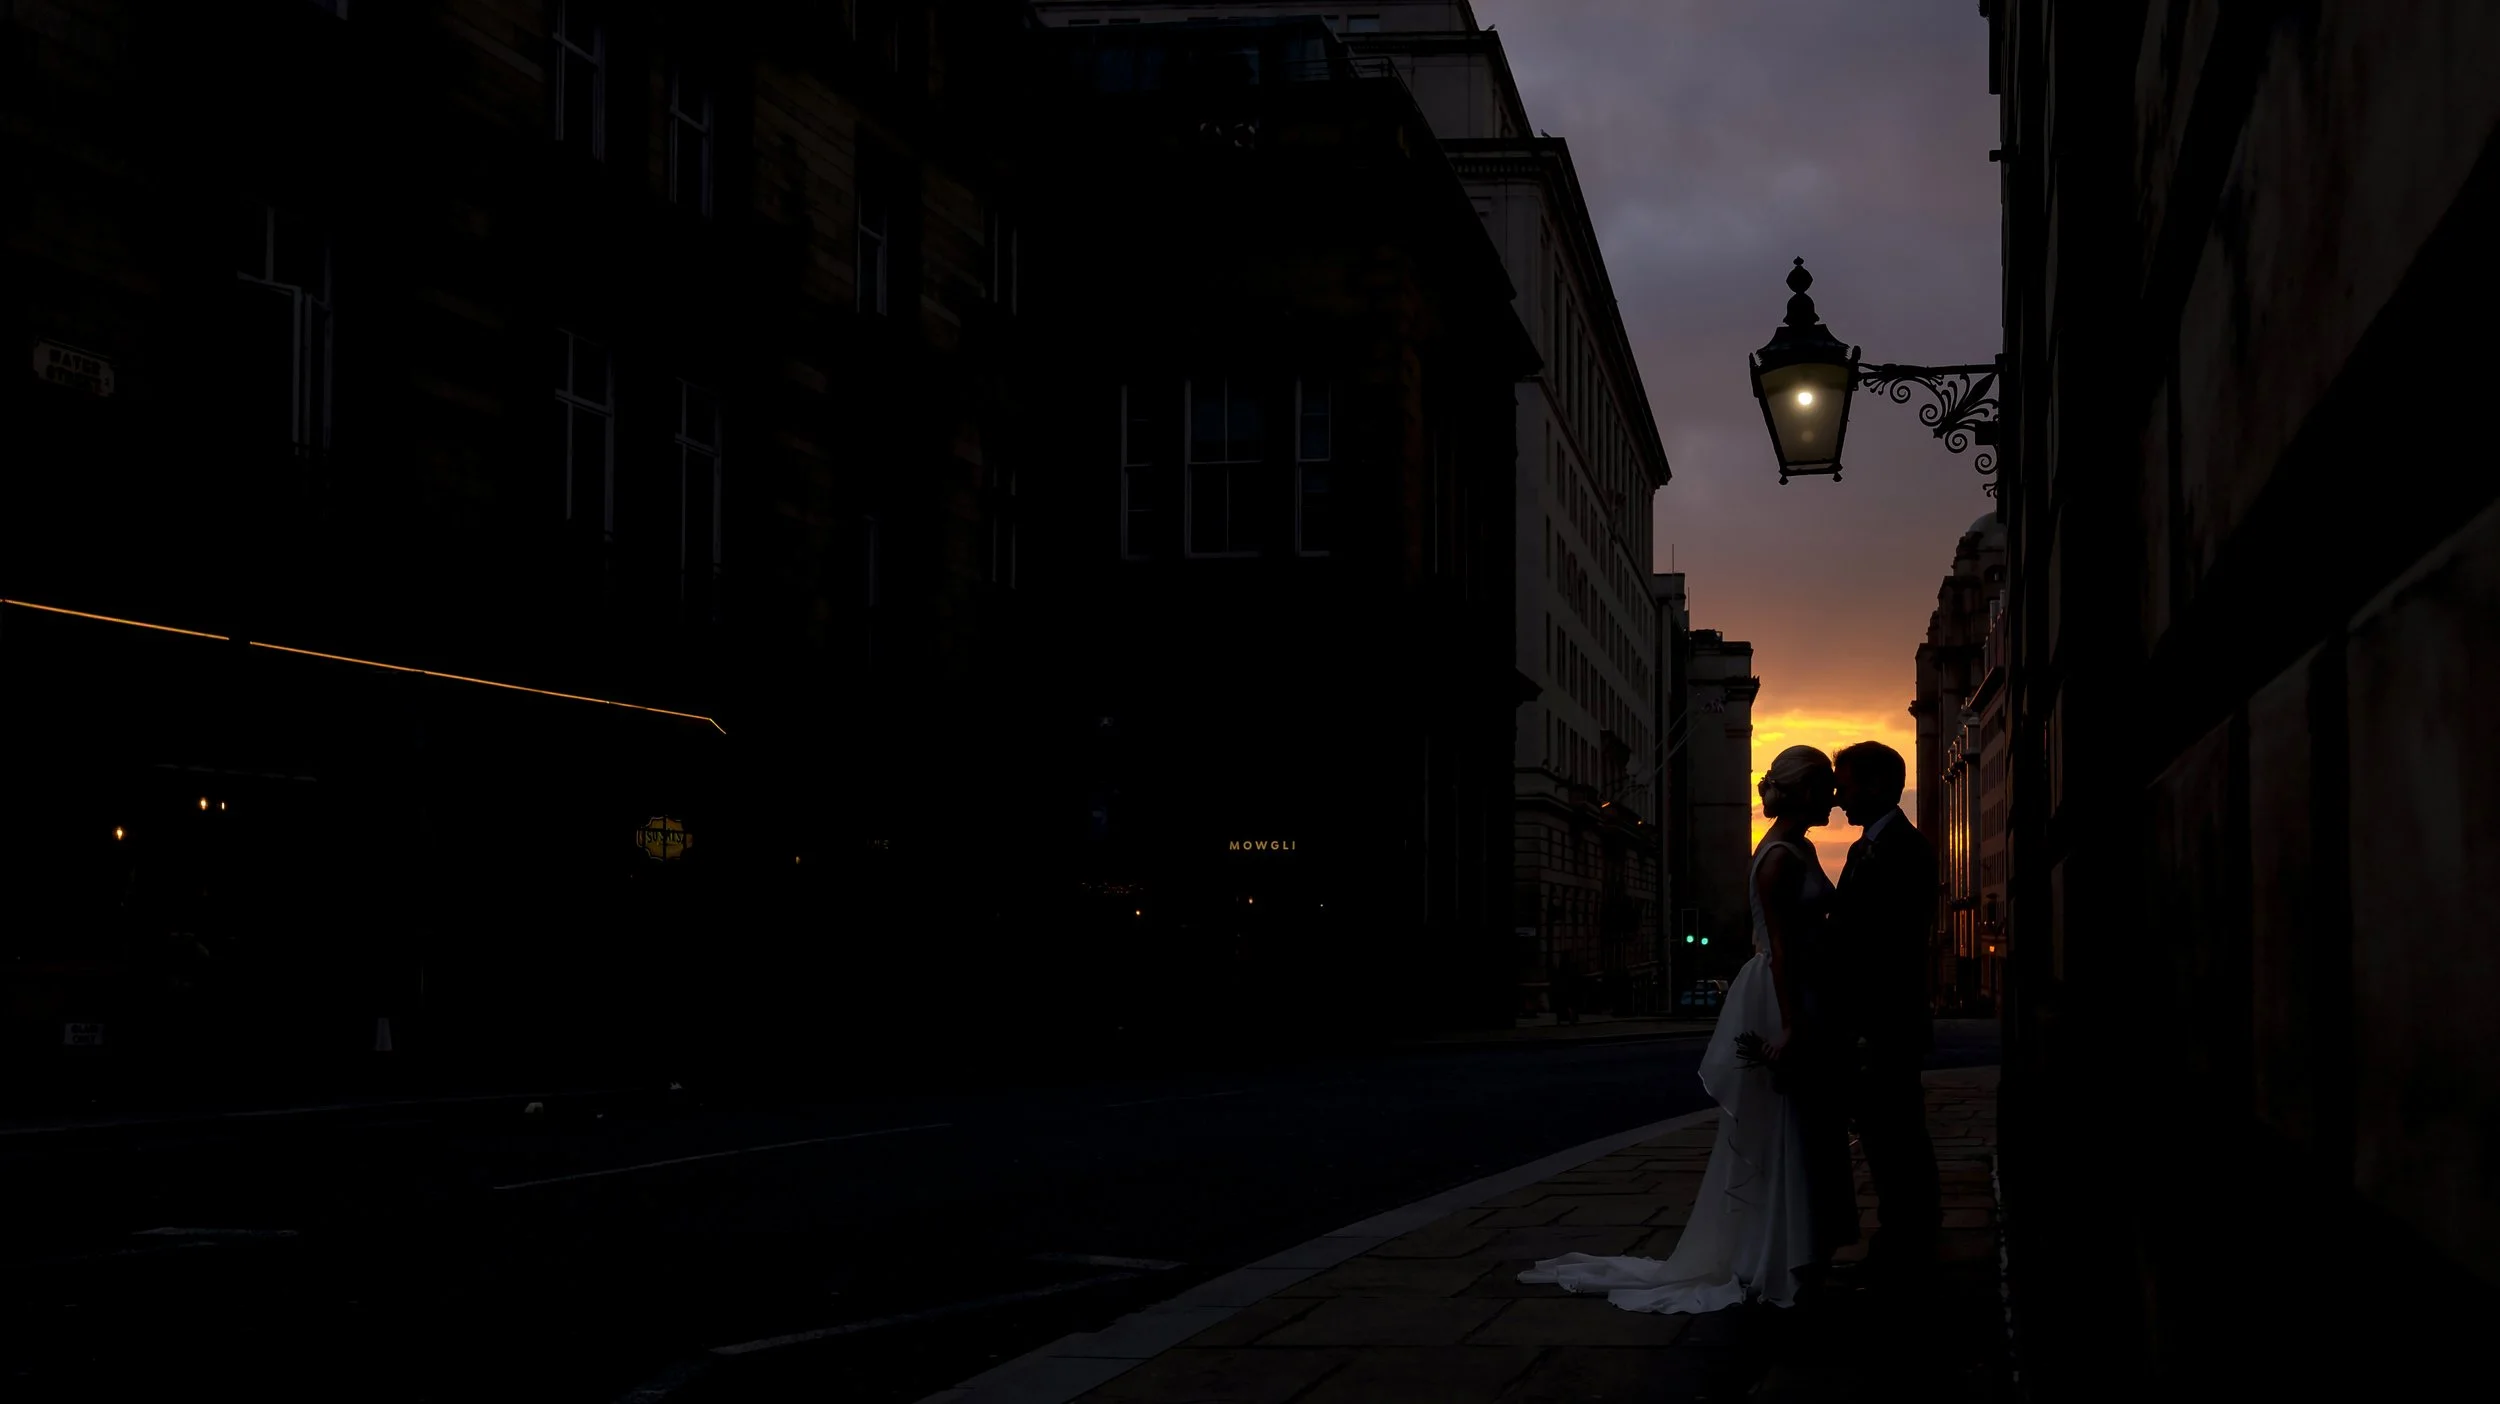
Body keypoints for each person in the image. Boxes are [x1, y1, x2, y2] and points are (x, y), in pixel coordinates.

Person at [1518, 746, 1840, 1314]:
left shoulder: (1797, 849)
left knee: (1792, 1126)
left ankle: (1790, 1249)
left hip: (1789, 986)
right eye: (1826, 786)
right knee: (1782, 1124)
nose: (1833, 796)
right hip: (1778, 991)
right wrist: (1791, 1022)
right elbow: (1783, 948)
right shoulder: (1780, 859)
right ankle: (1778, 1255)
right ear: (1806, 791)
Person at [1829, 740, 1942, 1284]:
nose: (1838, 797)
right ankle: (1902, 1232)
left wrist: (1865, 1028)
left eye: (1845, 785)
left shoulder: (1906, 849)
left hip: (1887, 1024)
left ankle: (1910, 1238)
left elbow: (1888, 948)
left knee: (1898, 1137)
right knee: (1883, 1136)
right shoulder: (1863, 848)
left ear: (1876, 787)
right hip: (1873, 1024)